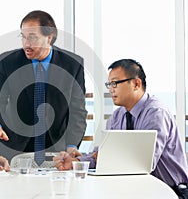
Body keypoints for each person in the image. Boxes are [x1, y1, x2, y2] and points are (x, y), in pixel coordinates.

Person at [54, 59, 188, 198]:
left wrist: (104, 156)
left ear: (136, 84)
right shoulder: (117, 116)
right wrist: (75, 162)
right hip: (137, 190)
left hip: (171, 191)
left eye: (115, 83)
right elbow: (100, 155)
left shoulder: (155, 113)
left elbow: (143, 164)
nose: (111, 89)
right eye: (109, 84)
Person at [0, 10, 87, 163]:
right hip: (14, 147)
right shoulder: (7, 62)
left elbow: (77, 111)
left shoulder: (72, 65)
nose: (26, 44)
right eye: (23, 37)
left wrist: (71, 145)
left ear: (49, 37)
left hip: (58, 150)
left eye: (32, 38)